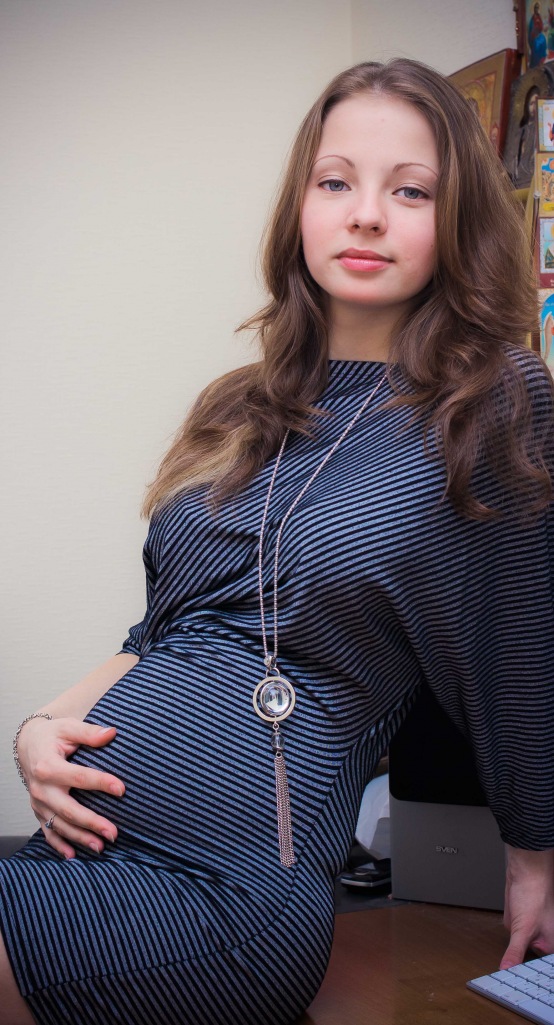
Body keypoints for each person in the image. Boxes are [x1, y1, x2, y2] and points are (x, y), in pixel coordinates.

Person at [2, 57, 554, 1025]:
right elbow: (160, 637)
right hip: (75, 849)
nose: (365, 214)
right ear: (299, 206)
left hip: (226, 895)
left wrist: (534, 857)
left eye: (410, 190)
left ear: (458, 218)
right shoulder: (237, 407)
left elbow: (520, 647)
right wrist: (38, 727)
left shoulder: (493, 397)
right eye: (335, 181)